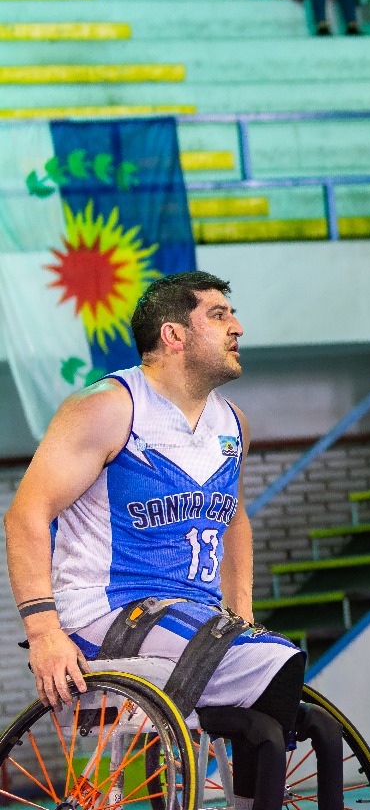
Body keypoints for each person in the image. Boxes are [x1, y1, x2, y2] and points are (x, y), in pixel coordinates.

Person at [3, 271, 340, 810]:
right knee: (277, 664)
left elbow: (234, 521)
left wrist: (242, 611)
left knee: (286, 721)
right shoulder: (108, 407)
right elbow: (25, 515)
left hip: (193, 616)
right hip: (107, 610)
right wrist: (43, 631)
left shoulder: (233, 423)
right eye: (219, 315)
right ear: (173, 335)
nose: (238, 327)